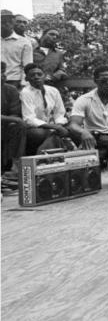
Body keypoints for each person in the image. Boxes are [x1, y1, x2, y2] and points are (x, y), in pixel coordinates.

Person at [19, 62, 71, 156]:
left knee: (72, 130)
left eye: (39, 74)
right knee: (39, 134)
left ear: (45, 76)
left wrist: (58, 125)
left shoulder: (53, 91)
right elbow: (29, 119)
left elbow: (60, 113)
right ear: (27, 79)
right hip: (35, 128)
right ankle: (36, 157)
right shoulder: (25, 92)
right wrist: (54, 127)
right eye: (32, 75)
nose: (36, 77)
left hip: (53, 126)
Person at [1, 61, 25, 191]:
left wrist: (10, 120)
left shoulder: (11, 90)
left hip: (4, 128)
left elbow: (15, 114)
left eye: (2, 72)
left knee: (18, 125)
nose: (1, 75)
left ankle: (15, 167)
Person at [1, 10, 33, 87]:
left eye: (8, 22)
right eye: (2, 22)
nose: (6, 24)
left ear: (13, 24)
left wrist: (24, 83)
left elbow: (27, 65)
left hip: (13, 81)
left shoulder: (24, 42)